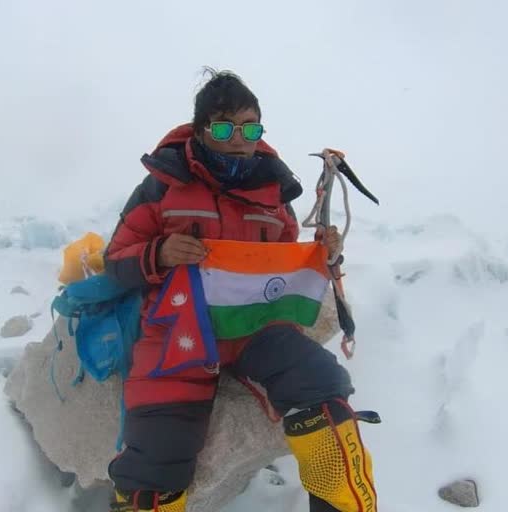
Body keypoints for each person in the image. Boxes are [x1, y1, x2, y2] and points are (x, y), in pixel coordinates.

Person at [104, 69, 377, 512]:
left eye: (250, 127)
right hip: (179, 333)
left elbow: (285, 265)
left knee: (324, 389)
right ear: (200, 130)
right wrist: (160, 252)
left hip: (256, 328)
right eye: (224, 126)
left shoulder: (273, 193)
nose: (239, 138)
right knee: (156, 458)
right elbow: (116, 260)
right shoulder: (163, 185)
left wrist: (324, 257)